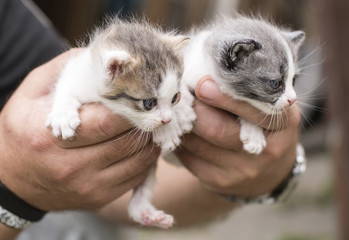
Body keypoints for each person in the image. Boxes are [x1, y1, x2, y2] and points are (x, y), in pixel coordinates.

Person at [0, 0, 302, 239]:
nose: (293, 99)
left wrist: (268, 179)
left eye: (174, 99)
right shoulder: (110, 71)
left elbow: (94, 173)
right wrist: (11, 197)